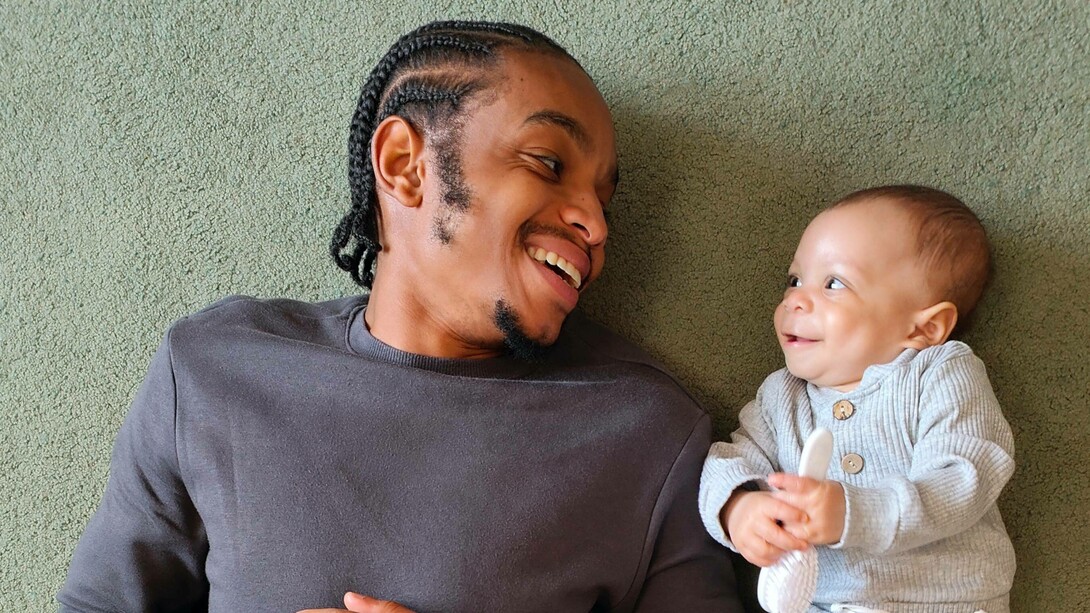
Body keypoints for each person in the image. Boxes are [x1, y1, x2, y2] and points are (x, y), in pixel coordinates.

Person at [58, 20, 742, 613]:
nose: (594, 224)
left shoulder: (650, 434)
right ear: (404, 165)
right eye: (547, 162)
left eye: (604, 199)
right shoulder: (211, 371)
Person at [698, 185, 1016, 612]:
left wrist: (854, 511)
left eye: (833, 283)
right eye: (794, 280)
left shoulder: (938, 374)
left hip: (948, 600)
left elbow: (967, 474)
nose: (795, 299)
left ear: (924, 329)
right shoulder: (782, 399)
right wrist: (738, 508)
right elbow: (726, 461)